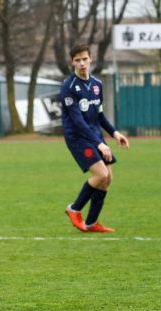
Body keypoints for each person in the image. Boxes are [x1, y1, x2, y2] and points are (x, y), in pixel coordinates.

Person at [60, 43, 129, 232]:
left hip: (94, 134)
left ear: (91, 59)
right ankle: (74, 209)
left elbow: (99, 115)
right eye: (77, 60)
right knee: (101, 174)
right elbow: (77, 121)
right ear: (72, 62)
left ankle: (91, 223)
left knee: (107, 179)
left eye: (84, 59)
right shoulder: (68, 87)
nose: (82, 63)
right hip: (78, 137)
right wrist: (99, 143)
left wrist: (115, 133)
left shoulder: (97, 85)